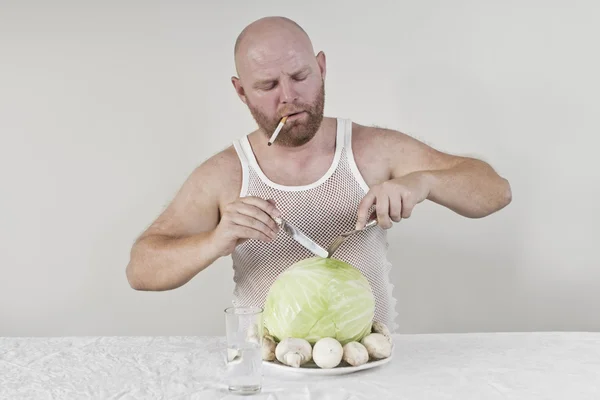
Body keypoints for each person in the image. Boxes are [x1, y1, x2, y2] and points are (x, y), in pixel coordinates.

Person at [125, 16, 512, 332]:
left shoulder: (372, 148)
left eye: (299, 76)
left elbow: (496, 192)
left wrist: (424, 182)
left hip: (370, 364)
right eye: (267, 86)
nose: (288, 97)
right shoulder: (225, 173)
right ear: (241, 92)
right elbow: (141, 269)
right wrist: (215, 240)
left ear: (322, 68)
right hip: (272, 371)